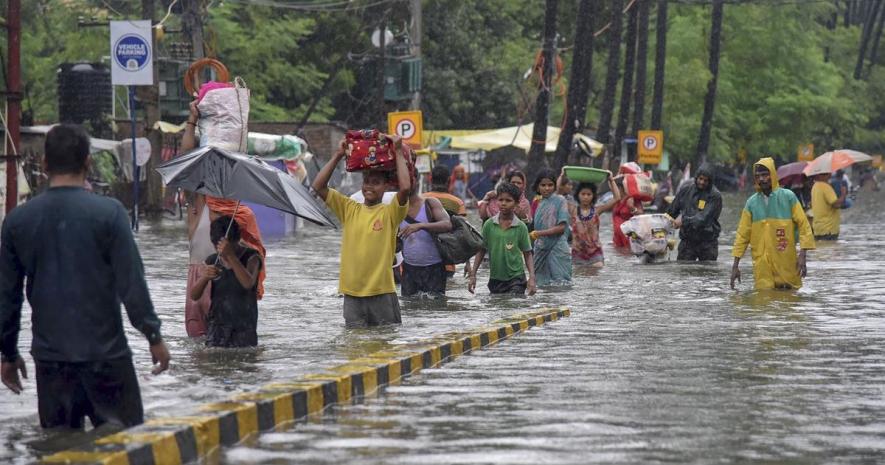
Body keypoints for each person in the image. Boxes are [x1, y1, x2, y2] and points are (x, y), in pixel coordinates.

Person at [0, 124, 170, 430]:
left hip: (51, 365)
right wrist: (153, 335)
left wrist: (8, 354)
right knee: (127, 446)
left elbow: (7, 297)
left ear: (45, 164)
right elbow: (132, 283)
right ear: (88, 163)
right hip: (107, 359)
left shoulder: (17, 222)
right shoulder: (110, 214)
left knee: (58, 451)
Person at [312, 135, 411, 327]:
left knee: (385, 345)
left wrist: (398, 151)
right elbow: (318, 186)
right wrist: (338, 154)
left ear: (386, 186)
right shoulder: (349, 208)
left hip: (381, 292)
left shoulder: (390, 212)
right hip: (352, 294)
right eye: (367, 181)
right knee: (354, 346)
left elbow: (405, 188)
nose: (369, 187)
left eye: (375, 182)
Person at [731, 158, 815, 290]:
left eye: (765, 175)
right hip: (762, 265)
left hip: (786, 261)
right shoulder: (751, 203)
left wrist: (803, 255)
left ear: (773, 174)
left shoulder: (788, 197)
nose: (762, 179)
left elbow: (804, 225)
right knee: (764, 301)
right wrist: (735, 266)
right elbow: (742, 235)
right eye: (758, 176)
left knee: (790, 298)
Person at [190, 216, 261, 347]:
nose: (222, 253)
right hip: (217, 327)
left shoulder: (252, 257)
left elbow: (248, 283)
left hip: (244, 328)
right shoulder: (213, 261)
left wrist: (231, 256)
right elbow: (194, 295)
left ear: (238, 240)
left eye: (228, 248)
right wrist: (204, 277)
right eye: (218, 248)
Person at [468, 183, 537, 295]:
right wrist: (473, 275)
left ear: (516, 203)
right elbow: (481, 250)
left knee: (514, 305)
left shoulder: (520, 227)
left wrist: (532, 278)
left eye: (508, 200)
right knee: (498, 308)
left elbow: (527, 253)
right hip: (495, 280)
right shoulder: (489, 225)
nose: (503, 203)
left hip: (516, 279)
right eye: (500, 200)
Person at [399, 188, 452, 297]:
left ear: (416, 182)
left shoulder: (430, 203)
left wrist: (421, 225)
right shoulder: (396, 207)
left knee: (435, 309)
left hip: (434, 268)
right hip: (409, 269)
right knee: (409, 308)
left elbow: (447, 224)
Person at [667, 163, 723, 261]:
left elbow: (703, 219)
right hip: (687, 242)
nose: (702, 182)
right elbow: (671, 212)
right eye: (700, 179)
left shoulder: (715, 196)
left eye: (705, 180)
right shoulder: (686, 190)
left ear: (710, 182)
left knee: (707, 273)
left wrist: (683, 220)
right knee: (683, 271)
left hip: (707, 243)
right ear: (696, 177)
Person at [530, 168, 573, 286]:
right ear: (538, 186)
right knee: (540, 284)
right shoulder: (539, 203)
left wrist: (539, 234)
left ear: (554, 186)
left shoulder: (560, 201)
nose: (547, 188)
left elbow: (561, 227)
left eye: (550, 185)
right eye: (543, 185)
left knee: (561, 285)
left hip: (557, 248)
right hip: (541, 249)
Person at [571, 177, 620, 266]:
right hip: (578, 252)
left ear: (593, 196)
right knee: (578, 276)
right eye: (583, 194)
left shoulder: (597, 210)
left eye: (589, 194)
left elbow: (617, 198)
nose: (586, 197)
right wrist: (562, 175)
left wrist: (611, 180)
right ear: (578, 195)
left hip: (595, 252)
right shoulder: (573, 210)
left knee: (597, 271)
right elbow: (558, 195)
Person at [811, 171, 846, 241]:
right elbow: (836, 204)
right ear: (827, 175)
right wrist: (843, 194)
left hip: (818, 228)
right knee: (830, 249)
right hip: (829, 229)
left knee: (821, 250)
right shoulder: (826, 187)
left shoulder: (815, 186)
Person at [611, 177, 643, 247]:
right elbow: (610, 184)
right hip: (617, 237)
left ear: (623, 188)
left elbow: (642, 214)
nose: (615, 190)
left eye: (618, 188)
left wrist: (632, 208)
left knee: (628, 253)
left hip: (629, 236)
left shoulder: (632, 199)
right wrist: (610, 177)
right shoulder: (616, 199)